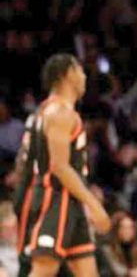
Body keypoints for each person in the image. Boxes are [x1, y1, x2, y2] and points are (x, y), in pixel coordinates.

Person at [18, 53, 111, 276]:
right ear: (68, 74)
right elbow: (60, 167)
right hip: (56, 197)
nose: (84, 76)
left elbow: (24, 162)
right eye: (80, 70)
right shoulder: (60, 113)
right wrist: (94, 205)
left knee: (87, 271)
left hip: (68, 200)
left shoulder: (42, 112)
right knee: (43, 270)